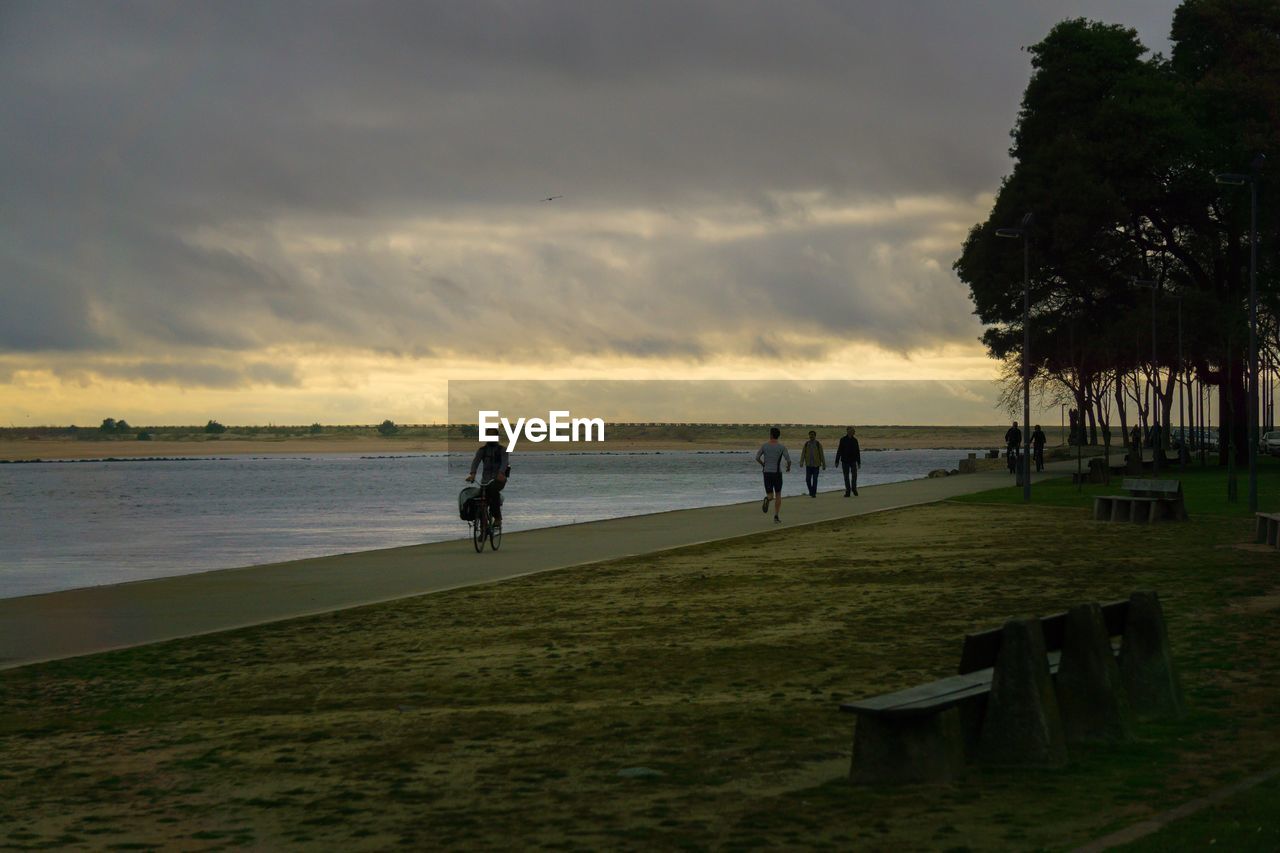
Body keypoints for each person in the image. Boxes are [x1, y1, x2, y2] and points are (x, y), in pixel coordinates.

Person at [466, 439, 510, 525]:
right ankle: (483, 528)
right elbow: (476, 461)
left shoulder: (502, 450)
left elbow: (504, 463)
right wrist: (472, 474)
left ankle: (497, 518)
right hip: (485, 480)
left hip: (498, 480)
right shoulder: (482, 450)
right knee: (479, 498)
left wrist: (501, 473)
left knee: (493, 491)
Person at [755, 427, 791, 524]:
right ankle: (776, 516)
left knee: (770, 495)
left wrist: (763, 464)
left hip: (766, 472)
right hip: (777, 473)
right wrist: (788, 467)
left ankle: (767, 499)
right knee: (778, 494)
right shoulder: (781, 447)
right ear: (778, 436)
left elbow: (757, 457)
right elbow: (788, 460)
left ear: (771, 435)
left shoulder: (764, 446)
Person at [834, 426, 861, 497]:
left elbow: (857, 451)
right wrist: (837, 461)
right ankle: (848, 491)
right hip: (845, 461)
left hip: (853, 461)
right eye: (852, 431)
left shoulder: (855, 440)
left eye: (854, 431)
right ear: (848, 431)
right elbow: (839, 450)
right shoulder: (843, 440)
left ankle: (854, 489)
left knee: (854, 476)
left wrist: (859, 462)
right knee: (846, 476)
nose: (854, 432)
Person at [800, 430, 826, 497]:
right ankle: (811, 491)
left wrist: (824, 464)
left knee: (815, 479)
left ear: (815, 436)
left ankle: (813, 493)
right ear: (809, 436)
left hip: (816, 465)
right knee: (807, 479)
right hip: (808, 465)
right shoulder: (806, 444)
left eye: (813, 435)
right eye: (810, 435)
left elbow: (821, 454)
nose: (811, 436)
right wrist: (801, 462)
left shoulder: (818, 444)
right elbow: (803, 453)